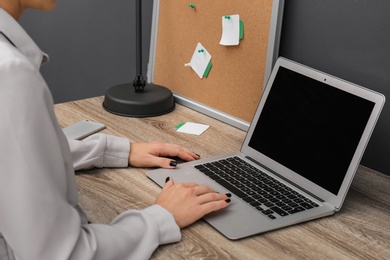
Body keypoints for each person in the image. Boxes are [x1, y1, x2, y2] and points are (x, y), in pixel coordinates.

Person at [0, 1, 231, 259]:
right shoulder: (10, 74)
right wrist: (161, 218)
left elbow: (14, 156)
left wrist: (116, 150)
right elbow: (61, 254)